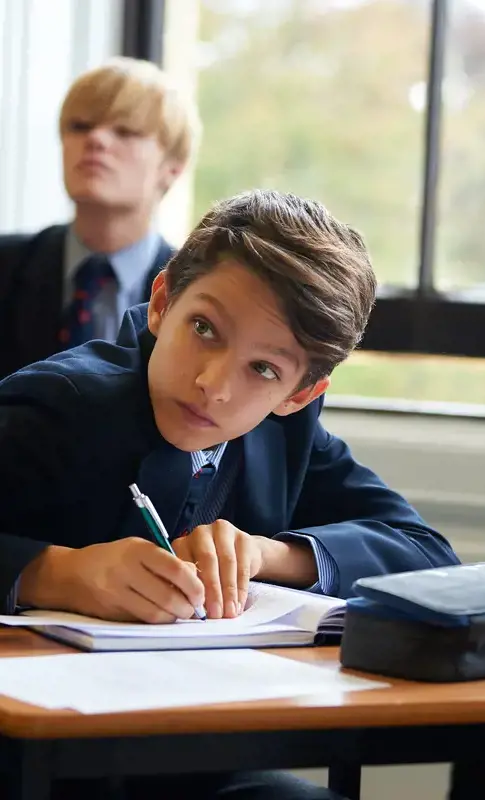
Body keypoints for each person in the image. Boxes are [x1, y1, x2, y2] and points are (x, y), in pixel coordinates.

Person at [0, 189, 459, 800]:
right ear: (163, 302)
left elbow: (425, 553)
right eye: (205, 328)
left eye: (264, 369)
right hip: (35, 765)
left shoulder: (285, 432)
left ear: (298, 393)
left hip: (190, 754)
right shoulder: (57, 406)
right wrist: (48, 573)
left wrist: (270, 555)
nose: (213, 386)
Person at [0, 56, 199, 380]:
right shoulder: (6, 266)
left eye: (125, 131)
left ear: (172, 167)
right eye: (80, 126)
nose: (96, 140)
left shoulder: (199, 294)